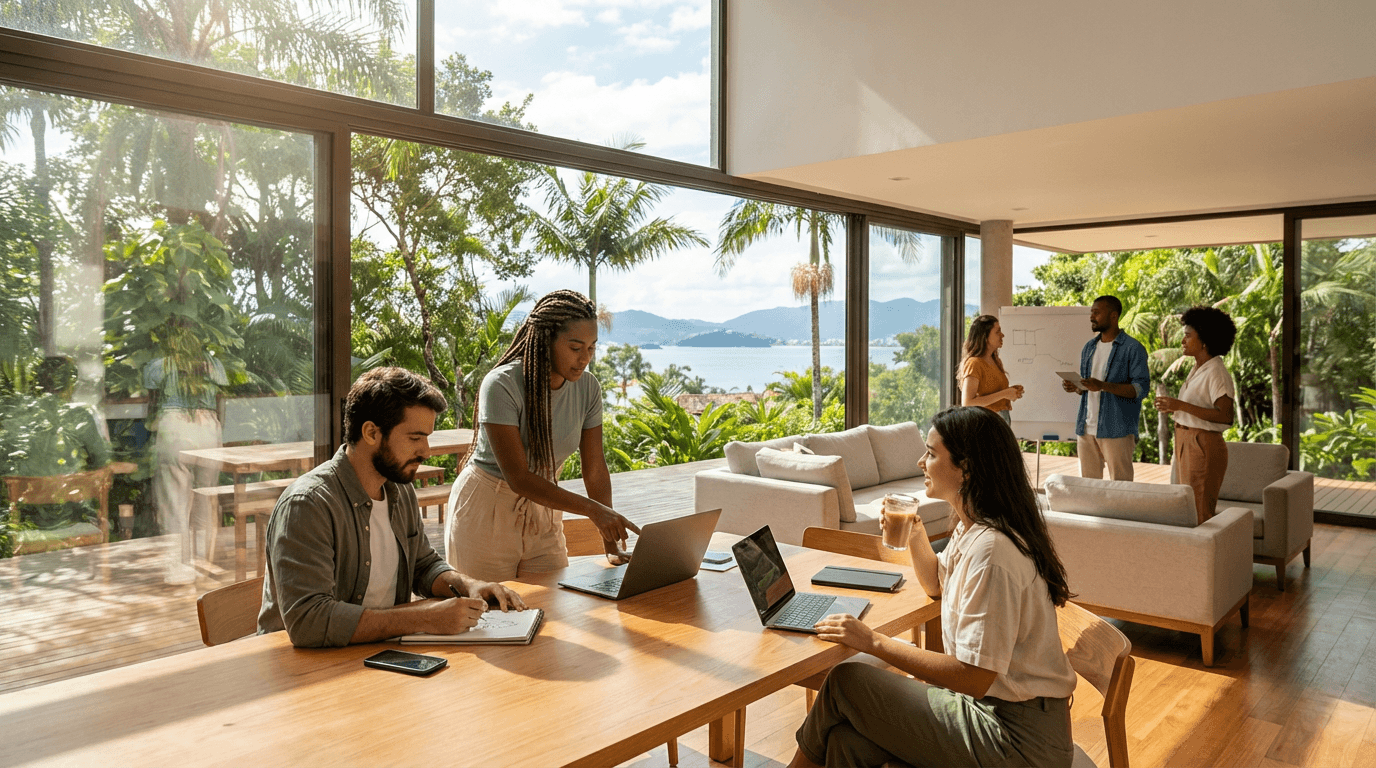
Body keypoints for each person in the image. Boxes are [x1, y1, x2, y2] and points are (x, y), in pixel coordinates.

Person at [789, 406, 1077, 768]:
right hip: (995, 715)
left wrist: (873, 641)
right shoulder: (973, 528)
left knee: (845, 681)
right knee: (847, 742)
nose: (921, 461)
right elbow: (936, 585)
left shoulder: (993, 552)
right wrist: (915, 533)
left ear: (966, 468)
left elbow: (973, 677)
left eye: (931, 452)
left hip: (1019, 740)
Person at [258, 367, 526, 648]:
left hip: (380, 653)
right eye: (415, 438)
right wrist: (423, 617)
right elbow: (310, 622)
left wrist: (467, 585)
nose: (426, 451)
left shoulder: (399, 489)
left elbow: (422, 566)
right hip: (304, 673)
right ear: (371, 432)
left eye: (427, 438)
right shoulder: (308, 505)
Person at [446, 289, 639, 582]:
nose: (584, 358)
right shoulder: (501, 385)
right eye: (575, 347)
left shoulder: (588, 388)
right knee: (488, 618)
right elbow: (519, 477)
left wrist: (610, 545)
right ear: (545, 340)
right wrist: (593, 511)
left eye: (591, 348)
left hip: (544, 512)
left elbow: (595, 468)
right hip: (486, 511)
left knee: (553, 610)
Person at [145, 351, 228, 585]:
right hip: (209, 426)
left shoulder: (160, 363)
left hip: (174, 425)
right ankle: (203, 562)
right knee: (206, 496)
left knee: (174, 501)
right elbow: (220, 400)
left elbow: (151, 401)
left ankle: (177, 570)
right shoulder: (214, 363)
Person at [1154, 306, 1238, 523]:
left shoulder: (1216, 372)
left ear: (1204, 341)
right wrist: (1175, 407)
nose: (1183, 341)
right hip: (1186, 440)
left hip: (1202, 444)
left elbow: (1225, 416)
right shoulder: (1198, 368)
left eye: (1188, 336)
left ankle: (1206, 556)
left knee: (1199, 512)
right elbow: (1197, 407)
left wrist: (1180, 405)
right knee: (1186, 509)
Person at [1061, 295, 1150, 481]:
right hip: (1086, 428)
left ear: (1113, 316)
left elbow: (1140, 389)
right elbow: (1089, 389)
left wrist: (1102, 386)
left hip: (1117, 428)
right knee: (1089, 485)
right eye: (1091, 312)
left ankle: (1122, 512)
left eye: (1097, 312)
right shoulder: (1089, 347)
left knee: (1121, 484)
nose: (1092, 317)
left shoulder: (1133, 348)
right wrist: (1077, 387)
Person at [958, 314, 1023, 423]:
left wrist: (1010, 391)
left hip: (999, 421)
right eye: (997, 332)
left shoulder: (995, 361)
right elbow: (967, 403)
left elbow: (992, 393)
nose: (1002, 335)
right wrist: (1004, 394)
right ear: (984, 336)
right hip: (986, 424)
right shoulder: (974, 363)